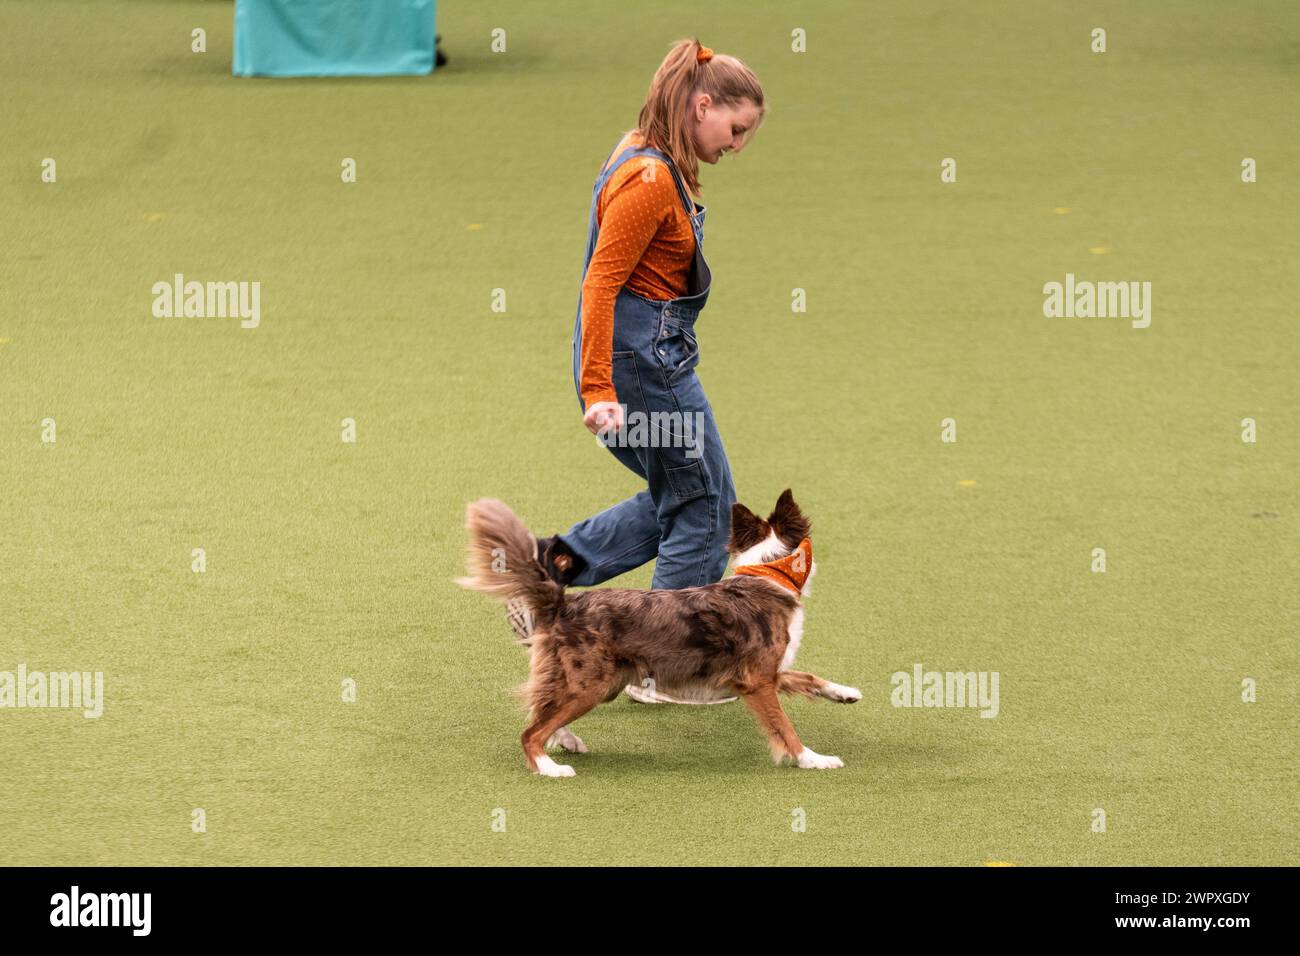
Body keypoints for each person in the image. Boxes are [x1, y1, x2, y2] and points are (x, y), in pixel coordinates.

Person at [523, 38, 767, 705]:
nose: (739, 144)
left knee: (686, 491)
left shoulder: (640, 150)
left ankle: (549, 571)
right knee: (703, 506)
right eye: (735, 128)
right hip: (648, 370)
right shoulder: (651, 178)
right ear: (702, 104)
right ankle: (665, 665)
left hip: (651, 361)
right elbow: (600, 283)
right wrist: (599, 388)